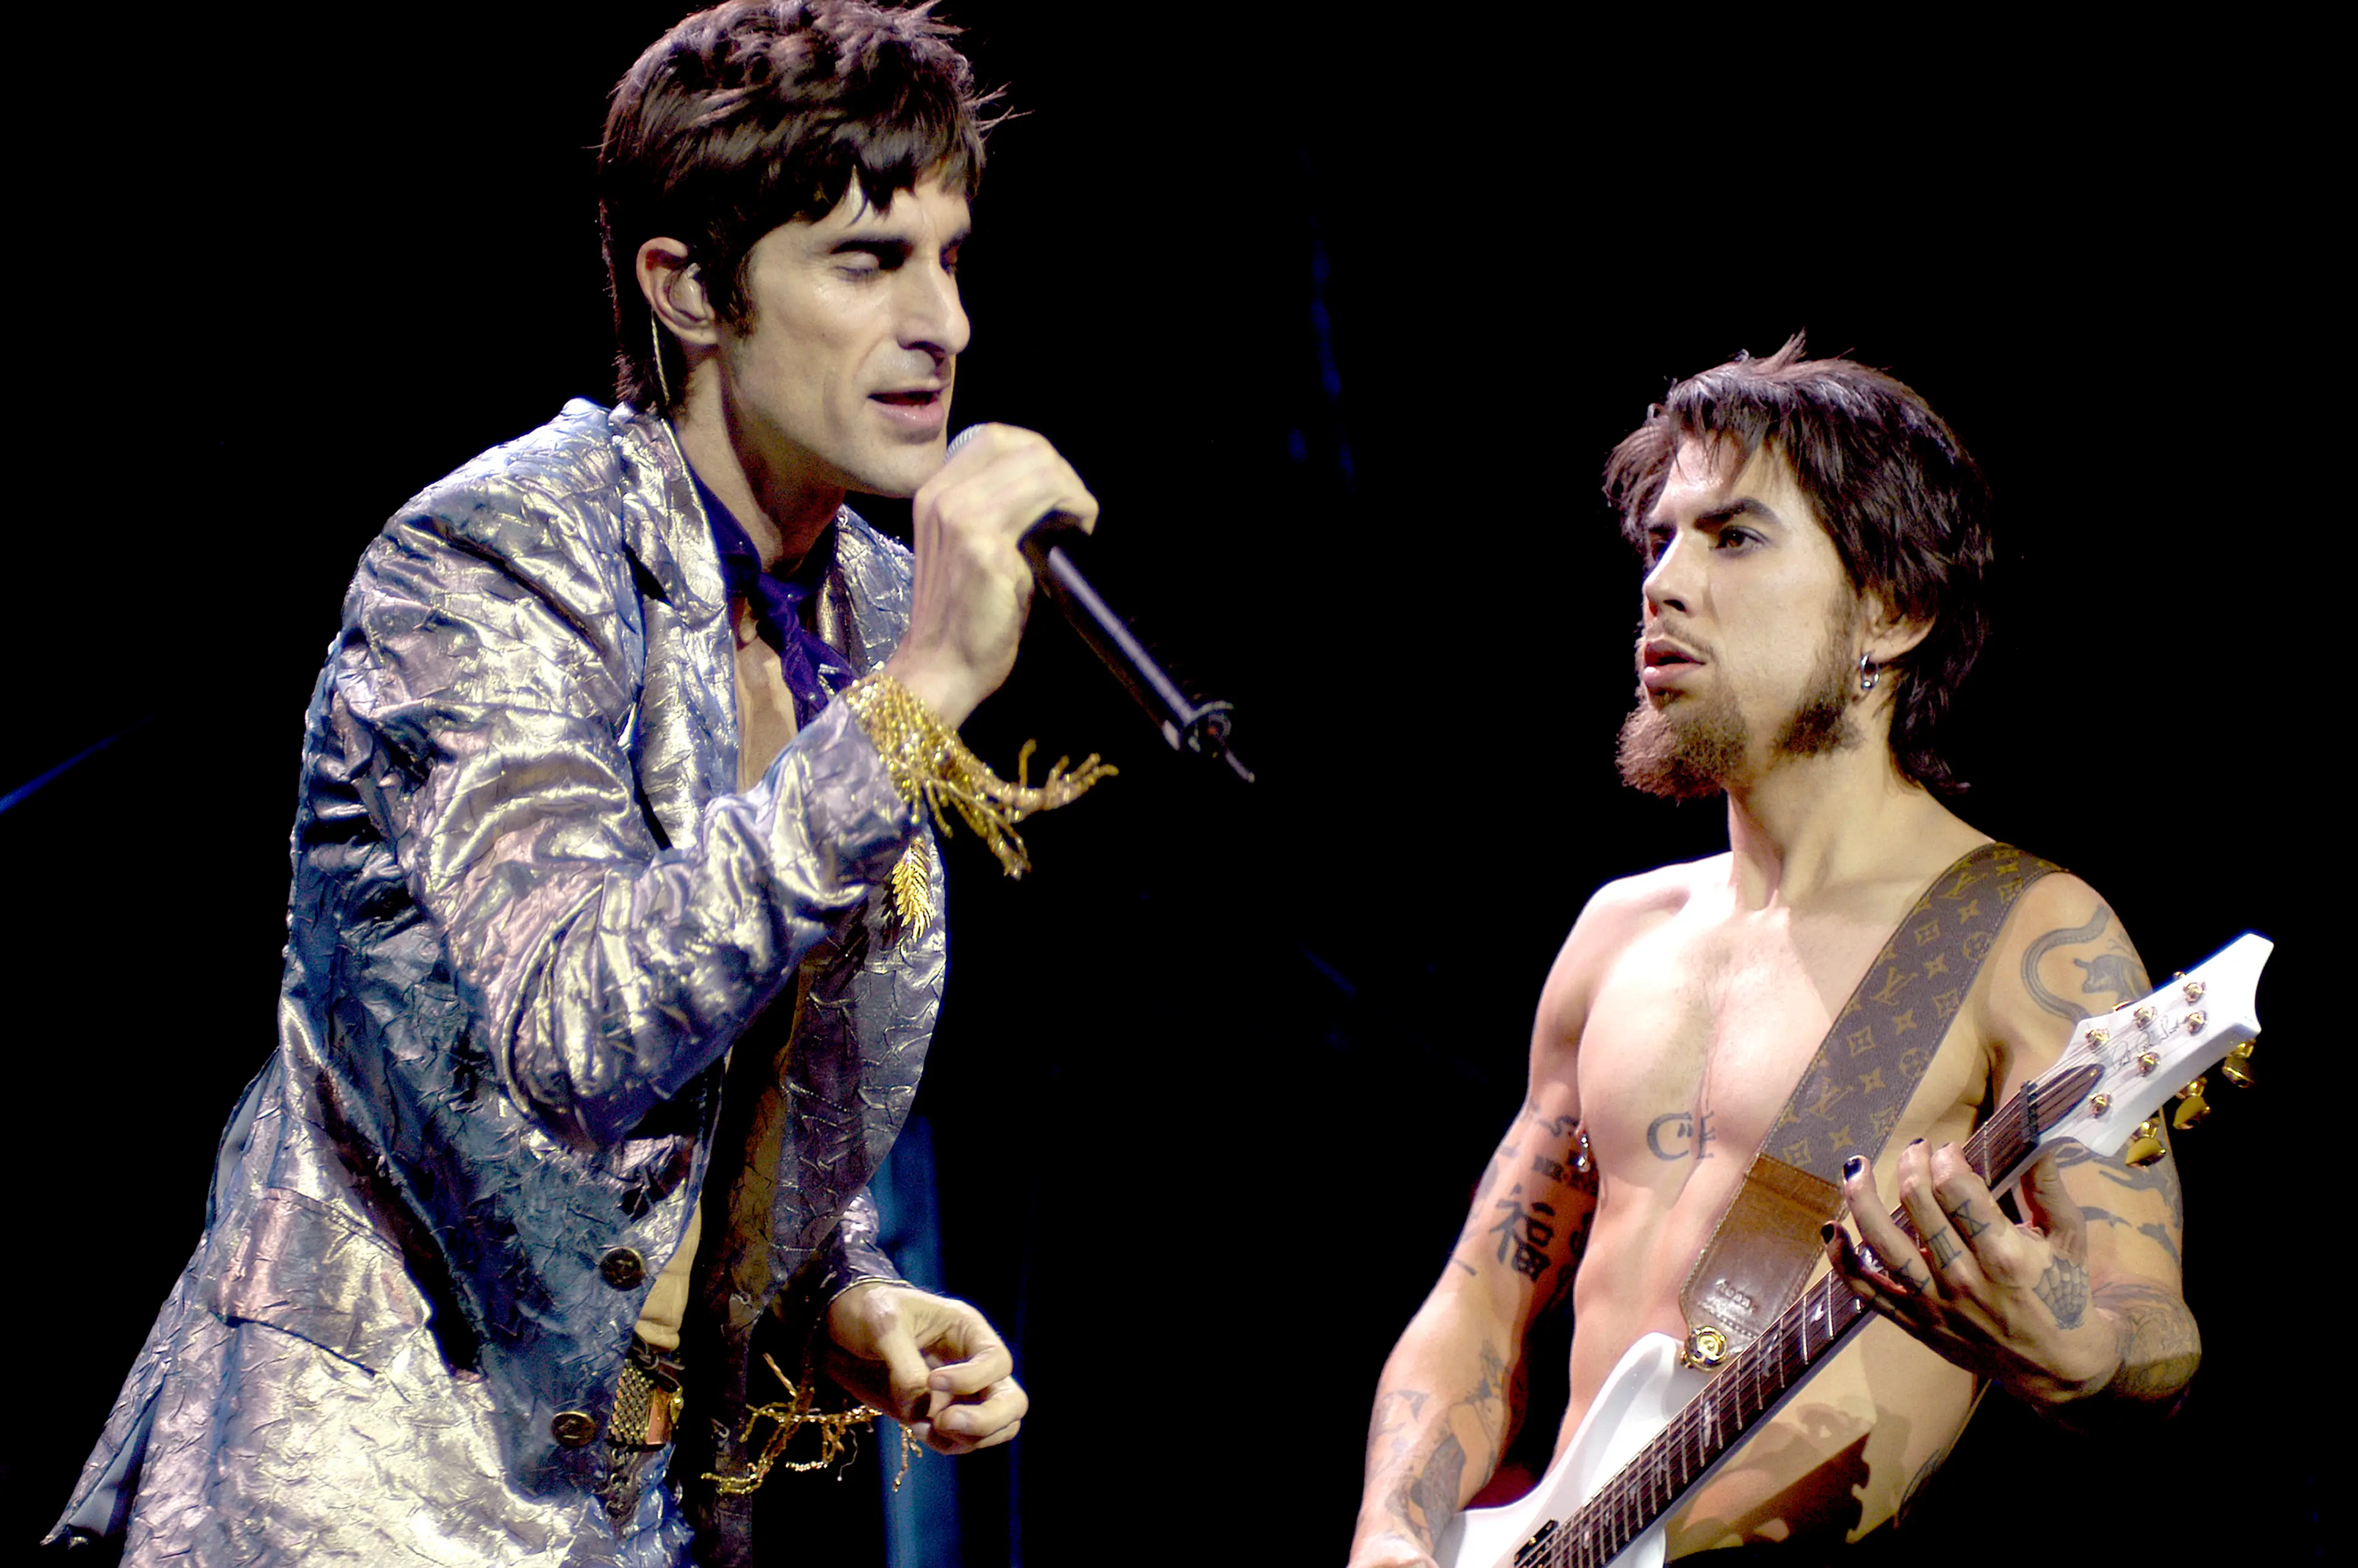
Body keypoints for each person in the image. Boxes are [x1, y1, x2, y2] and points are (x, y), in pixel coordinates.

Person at [49, 4, 1107, 1563]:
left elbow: (748, 1078)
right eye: (869, 260)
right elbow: (577, 1029)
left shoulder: (872, 611)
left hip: (631, 1514)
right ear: (689, 289)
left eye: (952, 256)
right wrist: (923, 699)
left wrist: (840, 1297)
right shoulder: (492, 560)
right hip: (353, 1493)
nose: (942, 321)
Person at [1346, 340, 2198, 1565]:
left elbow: (2150, 1322)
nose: (1663, 583)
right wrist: (1394, 1528)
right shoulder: (1619, 932)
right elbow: (1480, 1302)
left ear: (1891, 611)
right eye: (1659, 539)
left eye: (1733, 538)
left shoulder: (2023, 930)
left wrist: (2079, 1346)